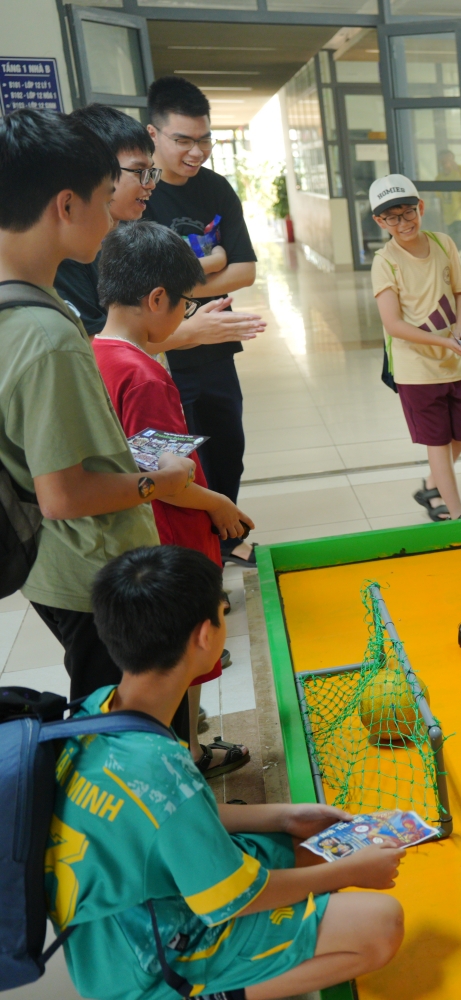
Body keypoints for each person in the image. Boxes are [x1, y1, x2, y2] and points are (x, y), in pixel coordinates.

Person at [48, 544, 405, 1000]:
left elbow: (167, 814)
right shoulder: (159, 766)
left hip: (110, 930)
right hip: (144, 961)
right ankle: (205, 992)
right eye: (223, 613)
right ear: (204, 636)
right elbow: (232, 898)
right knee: (380, 924)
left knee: (307, 847)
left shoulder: (99, 709)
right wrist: (351, 872)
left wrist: (286, 816)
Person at [0, 107, 194, 704]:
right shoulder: (46, 336)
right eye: (106, 199)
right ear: (66, 205)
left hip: (51, 566)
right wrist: (161, 482)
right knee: (121, 719)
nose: (111, 218)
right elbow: (63, 496)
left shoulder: (21, 299)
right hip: (91, 571)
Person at [92, 220, 255, 777]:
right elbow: (169, 478)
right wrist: (219, 505)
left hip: (142, 526)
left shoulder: (98, 353)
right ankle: (187, 757)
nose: (187, 315)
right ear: (157, 298)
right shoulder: (143, 375)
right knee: (183, 651)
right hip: (173, 530)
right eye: (185, 304)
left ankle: (185, 750)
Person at [143, 76, 259, 567]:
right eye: (183, 140)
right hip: (159, 350)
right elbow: (138, 285)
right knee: (176, 460)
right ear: (153, 134)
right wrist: (211, 262)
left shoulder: (215, 188)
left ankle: (225, 539)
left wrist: (177, 284)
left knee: (227, 445)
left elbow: (245, 270)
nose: (197, 152)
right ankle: (191, 559)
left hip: (214, 343)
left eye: (204, 139)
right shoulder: (139, 194)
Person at [53, 104, 266, 350]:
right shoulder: (70, 253)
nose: (150, 185)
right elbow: (98, 346)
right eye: (139, 171)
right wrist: (191, 331)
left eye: (151, 172)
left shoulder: (121, 236)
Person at [369, 173, 461, 521]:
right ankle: (457, 513)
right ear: (379, 221)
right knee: (438, 442)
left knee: (460, 435)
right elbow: (393, 324)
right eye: (392, 217)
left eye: (408, 212)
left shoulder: (443, 244)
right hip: (415, 369)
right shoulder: (385, 261)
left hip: (454, 361)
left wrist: (460, 330)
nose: (403, 223)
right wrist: (442, 341)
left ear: (421, 208)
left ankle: (432, 484)